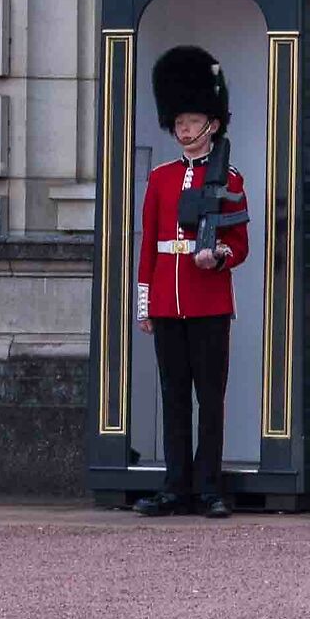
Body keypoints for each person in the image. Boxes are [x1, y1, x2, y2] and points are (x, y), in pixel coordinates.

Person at [133, 45, 250, 520]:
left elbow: (239, 245)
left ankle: (209, 488)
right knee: (174, 396)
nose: (184, 128)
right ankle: (174, 486)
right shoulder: (160, 178)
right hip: (166, 300)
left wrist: (217, 257)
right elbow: (148, 246)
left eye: (193, 120)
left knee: (210, 398)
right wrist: (145, 302)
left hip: (208, 300)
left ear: (213, 125)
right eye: (179, 121)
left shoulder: (230, 178)